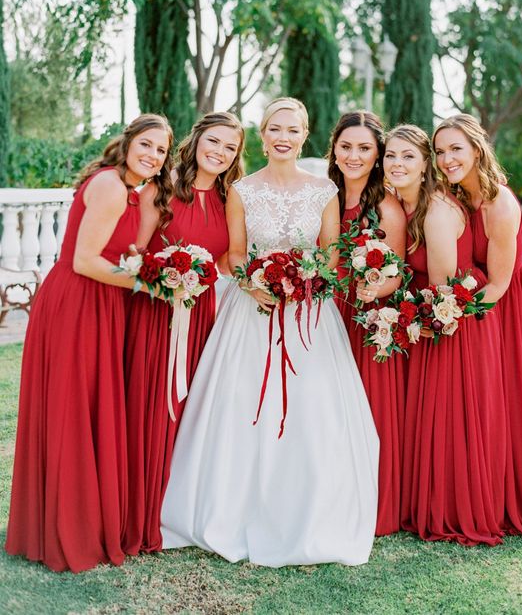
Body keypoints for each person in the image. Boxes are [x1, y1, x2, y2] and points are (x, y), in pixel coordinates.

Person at [160, 97, 379, 566]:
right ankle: (231, 508)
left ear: (305, 136)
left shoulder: (323, 191)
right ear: (263, 136)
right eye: (275, 129)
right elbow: (236, 252)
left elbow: (330, 253)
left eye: (293, 130)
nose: (283, 137)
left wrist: (303, 281)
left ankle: (311, 513)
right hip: (250, 311)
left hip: (309, 317)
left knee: (314, 409)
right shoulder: (241, 189)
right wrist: (251, 281)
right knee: (239, 406)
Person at [5, 115, 174, 572]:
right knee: (72, 410)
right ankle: (66, 529)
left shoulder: (131, 191)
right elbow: (83, 261)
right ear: (128, 143)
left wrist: (153, 264)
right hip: (79, 302)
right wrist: (146, 285)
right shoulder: (111, 186)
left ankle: (65, 519)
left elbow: (112, 249)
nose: (153, 155)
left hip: (100, 303)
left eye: (161, 150)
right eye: (146, 144)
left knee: (81, 408)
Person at [433, 113, 522, 540]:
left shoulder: (499, 203)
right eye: (440, 151)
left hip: (503, 303)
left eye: (456, 148)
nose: (447, 158)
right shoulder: (456, 196)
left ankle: (513, 496)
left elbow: (501, 283)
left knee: (508, 394)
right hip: (478, 300)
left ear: (477, 148)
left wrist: (451, 315)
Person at [123, 111, 245, 556]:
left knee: (192, 412)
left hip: (203, 319)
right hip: (155, 314)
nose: (220, 152)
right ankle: (139, 507)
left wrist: (266, 272)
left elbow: (232, 258)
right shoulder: (163, 186)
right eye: (214, 141)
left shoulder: (232, 197)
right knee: (151, 405)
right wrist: (167, 278)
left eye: (230, 147)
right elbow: (134, 252)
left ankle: (177, 507)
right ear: (196, 140)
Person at [384, 124, 506, 546]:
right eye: (391, 157)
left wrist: (402, 320)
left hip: (453, 321)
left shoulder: (436, 211)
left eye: (409, 157)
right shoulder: (406, 204)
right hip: (438, 315)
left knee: (451, 416)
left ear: (424, 167)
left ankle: (453, 507)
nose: (397, 164)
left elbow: (440, 288)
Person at [328, 110, 407, 536]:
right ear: (334, 149)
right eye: (346, 146)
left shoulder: (385, 206)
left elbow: (396, 272)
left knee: (368, 412)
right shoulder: (324, 194)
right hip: (324, 316)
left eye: (364, 148)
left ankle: (373, 503)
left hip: (364, 319)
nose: (353, 155)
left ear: (377, 155)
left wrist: (374, 291)